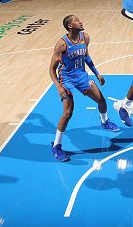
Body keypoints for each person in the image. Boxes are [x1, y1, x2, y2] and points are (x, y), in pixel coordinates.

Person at [48, 15, 120, 161]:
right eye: (76, 21)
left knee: (102, 101)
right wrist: (58, 86)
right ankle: (56, 146)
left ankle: (104, 122)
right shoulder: (62, 44)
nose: (80, 22)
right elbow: (51, 69)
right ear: (69, 26)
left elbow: (86, 57)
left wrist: (97, 73)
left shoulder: (85, 38)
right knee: (68, 113)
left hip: (81, 76)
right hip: (66, 79)